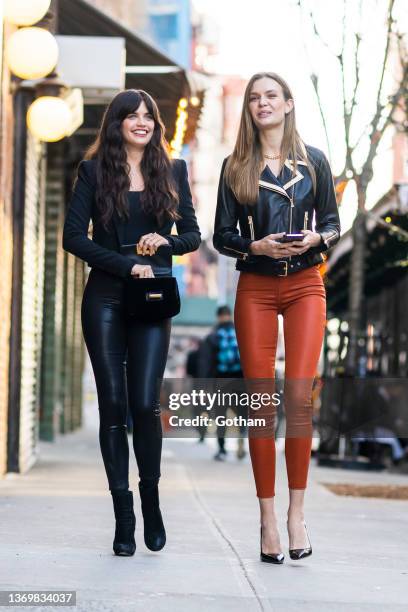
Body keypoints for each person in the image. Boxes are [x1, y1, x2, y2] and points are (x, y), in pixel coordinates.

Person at [63, 89, 201, 556]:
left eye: (148, 116)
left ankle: (152, 498)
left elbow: (194, 237)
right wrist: (126, 265)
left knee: (145, 403)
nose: (141, 121)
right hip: (104, 294)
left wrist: (164, 242)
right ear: (116, 122)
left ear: (156, 124)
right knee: (113, 405)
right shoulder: (92, 170)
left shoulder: (174, 170)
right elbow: (72, 238)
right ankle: (124, 516)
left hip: (152, 297)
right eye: (131, 115)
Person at [213, 72, 340, 564]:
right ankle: (267, 518)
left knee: (299, 397)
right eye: (254, 97)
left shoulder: (315, 163)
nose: (262, 103)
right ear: (249, 109)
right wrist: (252, 245)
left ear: (288, 104)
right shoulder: (234, 166)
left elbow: (331, 221)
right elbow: (222, 234)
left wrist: (317, 240)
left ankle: (296, 515)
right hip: (257, 287)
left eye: (271, 96)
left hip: (307, 283)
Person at [197, 305, 246, 460]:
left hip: (221, 380)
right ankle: (242, 436)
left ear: (218, 316)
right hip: (240, 379)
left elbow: (205, 363)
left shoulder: (212, 336)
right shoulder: (240, 333)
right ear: (230, 315)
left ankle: (222, 449)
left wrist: (204, 386)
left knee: (220, 415)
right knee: (242, 413)